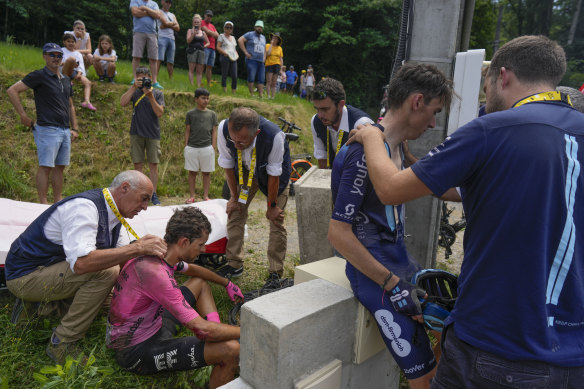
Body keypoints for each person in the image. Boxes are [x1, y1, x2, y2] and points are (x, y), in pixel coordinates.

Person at [350, 36, 584, 388]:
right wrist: (418, 164)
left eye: (485, 84)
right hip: (573, 357)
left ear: (502, 77)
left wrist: (371, 136)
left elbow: (389, 189)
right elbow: (463, 189)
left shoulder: (492, 130)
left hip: (494, 347)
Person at [329, 63, 454, 389]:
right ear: (416, 101)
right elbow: (338, 234)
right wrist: (393, 285)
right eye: (433, 112)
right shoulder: (362, 153)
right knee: (425, 379)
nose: (433, 123)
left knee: (451, 336)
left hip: (400, 264)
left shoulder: (393, 146)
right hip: (376, 278)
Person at [5, 170, 166, 364]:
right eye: (144, 199)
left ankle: (41, 307)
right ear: (124, 188)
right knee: (106, 273)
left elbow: (122, 258)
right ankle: (62, 342)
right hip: (24, 276)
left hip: (50, 269)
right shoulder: (85, 209)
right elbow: (82, 263)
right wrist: (138, 248)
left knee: (113, 301)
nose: (145, 207)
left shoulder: (113, 214)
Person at [107, 207, 241, 387]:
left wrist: (226, 283)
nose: (203, 249)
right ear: (184, 242)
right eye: (200, 244)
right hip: (135, 351)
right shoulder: (156, 274)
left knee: (199, 283)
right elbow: (203, 330)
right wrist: (246, 331)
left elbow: (194, 270)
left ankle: (216, 328)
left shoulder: (161, 251)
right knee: (232, 349)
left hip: (153, 324)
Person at [216, 107, 290, 289]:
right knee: (235, 212)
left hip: (273, 174)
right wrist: (234, 197)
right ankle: (234, 264)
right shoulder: (223, 128)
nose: (235, 145)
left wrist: (272, 206)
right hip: (246, 173)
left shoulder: (275, 136)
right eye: (233, 139)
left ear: (256, 133)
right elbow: (227, 164)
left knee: (276, 221)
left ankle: (275, 272)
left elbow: (274, 175)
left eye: (241, 142)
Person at [6, 43, 78, 204]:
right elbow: (12, 90)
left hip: (65, 130)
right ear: (44, 56)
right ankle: (43, 202)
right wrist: (23, 115)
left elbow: (70, 104)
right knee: (46, 166)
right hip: (47, 128)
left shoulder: (66, 79)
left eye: (59, 55)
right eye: (52, 55)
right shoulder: (39, 75)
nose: (55, 58)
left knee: (60, 167)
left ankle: (57, 199)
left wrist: (75, 128)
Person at [120, 67, 165, 206]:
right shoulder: (134, 91)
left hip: (153, 133)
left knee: (153, 165)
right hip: (136, 132)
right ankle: (139, 193)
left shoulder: (157, 93)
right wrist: (133, 87)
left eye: (145, 78)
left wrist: (150, 96)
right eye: (140, 78)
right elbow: (123, 103)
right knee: (137, 164)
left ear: (150, 78)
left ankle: (153, 194)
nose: (143, 80)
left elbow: (159, 113)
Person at [310, 77, 373, 169]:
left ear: (341, 104)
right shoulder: (316, 121)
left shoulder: (361, 123)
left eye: (325, 109)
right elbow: (321, 156)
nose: (320, 115)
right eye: (317, 109)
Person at [184, 88, 218, 203]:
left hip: (207, 147)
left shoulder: (212, 114)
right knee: (192, 172)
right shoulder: (190, 114)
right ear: (196, 99)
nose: (206, 100)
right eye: (203, 98)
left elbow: (214, 131)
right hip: (192, 147)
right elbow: (187, 130)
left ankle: (205, 196)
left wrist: (213, 146)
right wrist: (186, 145)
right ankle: (192, 196)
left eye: (207, 98)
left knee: (206, 173)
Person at [129, 0, 163, 89]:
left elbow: (158, 15)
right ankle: (135, 79)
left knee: (153, 58)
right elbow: (135, 12)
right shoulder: (135, 1)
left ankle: (154, 81)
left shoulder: (154, 3)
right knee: (136, 56)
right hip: (138, 31)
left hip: (152, 33)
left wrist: (145, 9)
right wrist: (150, 13)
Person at [61, 33, 96, 111]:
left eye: (72, 42)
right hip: (64, 71)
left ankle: (87, 101)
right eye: (68, 41)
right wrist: (68, 63)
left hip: (75, 72)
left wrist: (79, 74)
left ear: (75, 43)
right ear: (64, 42)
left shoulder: (78, 54)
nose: (71, 43)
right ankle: (68, 80)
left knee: (88, 82)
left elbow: (81, 66)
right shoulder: (61, 50)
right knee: (71, 60)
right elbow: (59, 63)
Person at [238, 20, 266, 97]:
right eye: (258, 27)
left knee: (261, 78)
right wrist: (245, 52)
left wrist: (264, 58)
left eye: (261, 27)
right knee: (251, 76)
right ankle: (252, 94)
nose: (259, 28)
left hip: (261, 61)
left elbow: (265, 49)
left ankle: (260, 95)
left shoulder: (263, 37)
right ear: (255, 27)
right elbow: (240, 40)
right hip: (251, 60)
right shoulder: (250, 34)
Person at [156, 0, 180, 81]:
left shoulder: (172, 14)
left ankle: (171, 79)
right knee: (159, 59)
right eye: (166, 2)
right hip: (162, 37)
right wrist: (172, 23)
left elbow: (178, 28)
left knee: (170, 61)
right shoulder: (159, 11)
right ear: (162, 2)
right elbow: (165, 23)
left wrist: (167, 25)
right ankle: (154, 78)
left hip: (172, 39)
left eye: (170, 2)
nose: (168, 4)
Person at [186, 14, 210, 87]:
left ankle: (198, 85)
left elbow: (208, 42)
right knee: (191, 69)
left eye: (198, 22)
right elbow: (188, 41)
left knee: (199, 70)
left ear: (200, 23)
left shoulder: (203, 32)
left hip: (201, 52)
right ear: (193, 23)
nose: (196, 23)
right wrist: (194, 34)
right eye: (195, 22)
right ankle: (191, 85)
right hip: (192, 51)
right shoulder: (190, 31)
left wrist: (204, 46)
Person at [216, 21, 238, 94]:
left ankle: (233, 92)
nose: (229, 29)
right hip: (225, 56)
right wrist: (224, 53)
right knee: (224, 74)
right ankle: (224, 91)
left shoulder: (233, 38)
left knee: (234, 75)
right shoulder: (221, 36)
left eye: (230, 28)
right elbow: (218, 47)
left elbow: (234, 48)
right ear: (224, 28)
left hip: (233, 57)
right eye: (227, 27)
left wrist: (236, 54)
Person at [201, 9, 219, 88]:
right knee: (202, 65)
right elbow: (206, 31)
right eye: (208, 15)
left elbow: (217, 36)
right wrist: (212, 33)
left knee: (209, 66)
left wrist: (210, 33)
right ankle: (200, 81)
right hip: (205, 46)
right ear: (205, 15)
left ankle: (208, 84)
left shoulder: (212, 26)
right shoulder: (201, 22)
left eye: (210, 16)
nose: (209, 17)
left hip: (213, 48)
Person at [265, 32, 283, 99]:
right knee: (269, 81)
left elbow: (281, 58)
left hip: (277, 65)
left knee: (274, 82)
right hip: (269, 64)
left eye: (275, 38)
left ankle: (273, 97)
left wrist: (281, 68)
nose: (274, 39)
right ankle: (268, 95)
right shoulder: (267, 45)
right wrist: (271, 45)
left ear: (278, 40)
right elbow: (268, 54)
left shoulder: (280, 48)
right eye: (273, 38)